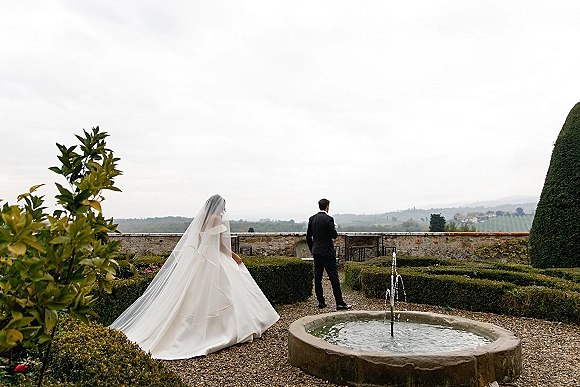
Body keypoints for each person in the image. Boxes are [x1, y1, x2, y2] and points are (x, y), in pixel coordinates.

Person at [110, 194, 279, 359]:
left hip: (202, 257)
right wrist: (234, 256)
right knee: (227, 288)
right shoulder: (217, 219)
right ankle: (226, 329)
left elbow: (200, 241)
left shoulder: (203, 219)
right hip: (214, 258)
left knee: (196, 294)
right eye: (224, 206)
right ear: (219, 206)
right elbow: (220, 245)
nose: (225, 210)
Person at [306, 198, 352, 311]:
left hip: (316, 251)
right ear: (327, 207)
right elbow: (334, 236)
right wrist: (335, 229)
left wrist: (313, 249)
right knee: (334, 277)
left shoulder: (312, 219)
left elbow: (308, 236)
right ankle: (339, 303)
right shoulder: (329, 219)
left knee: (317, 277)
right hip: (327, 252)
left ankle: (321, 302)